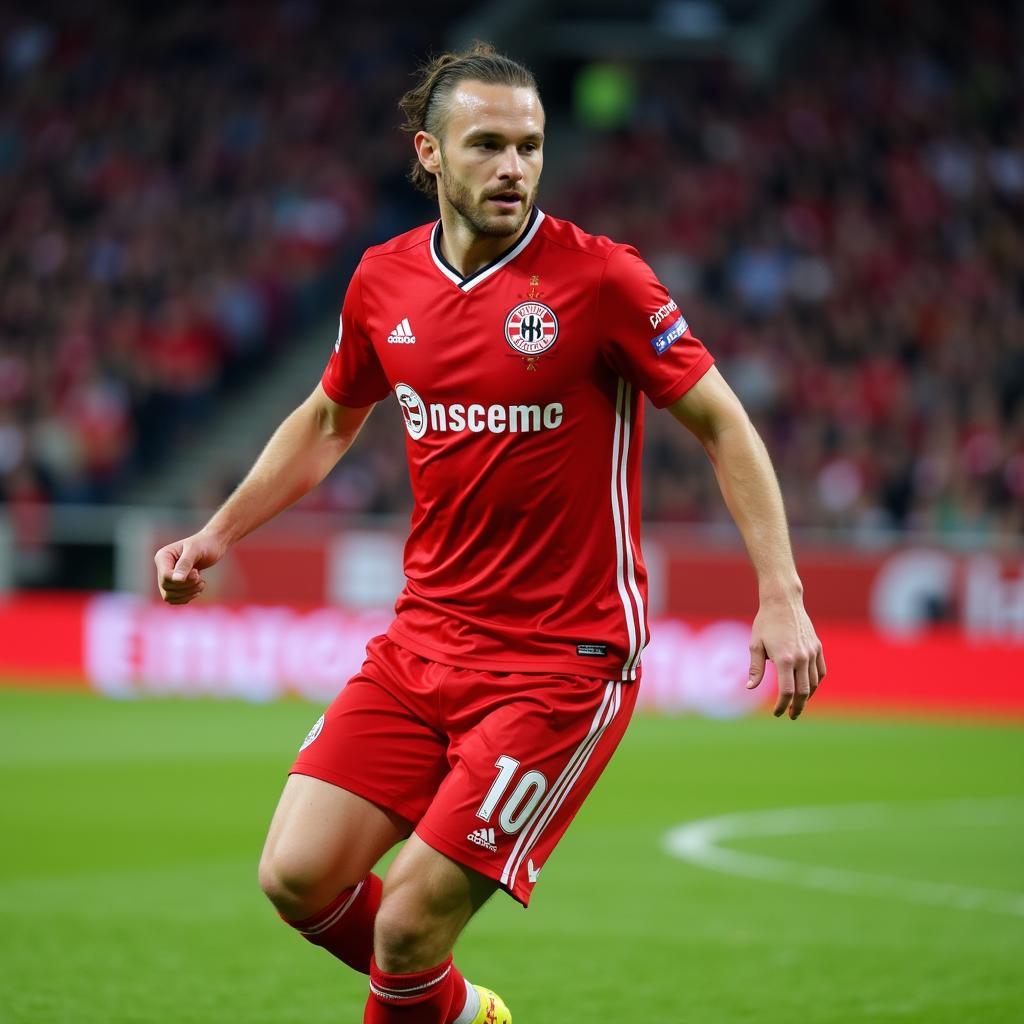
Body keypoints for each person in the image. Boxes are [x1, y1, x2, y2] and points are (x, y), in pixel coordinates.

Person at [155, 43, 826, 1024]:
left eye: (529, 146)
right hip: (423, 641)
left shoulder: (601, 280)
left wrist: (781, 592)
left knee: (406, 928)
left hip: (562, 660)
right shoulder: (383, 280)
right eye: (487, 146)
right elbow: (331, 416)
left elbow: (724, 421)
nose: (513, 166)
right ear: (429, 154)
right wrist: (218, 531)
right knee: (296, 876)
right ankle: (466, 1015)